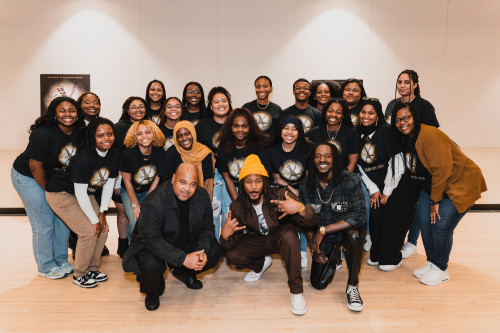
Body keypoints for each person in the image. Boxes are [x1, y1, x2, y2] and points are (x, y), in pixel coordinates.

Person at [391, 103, 486, 285]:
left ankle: (441, 269)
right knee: (425, 223)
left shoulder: (430, 135)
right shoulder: (407, 138)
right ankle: (432, 262)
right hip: (432, 185)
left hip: (457, 184)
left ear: (415, 118)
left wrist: (435, 201)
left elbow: (442, 170)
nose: (402, 123)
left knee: (440, 226)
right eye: (397, 120)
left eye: (406, 118)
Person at [220, 154, 317, 315]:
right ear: (242, 184)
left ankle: (296, 292)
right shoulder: (237, 206)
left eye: (257, 181)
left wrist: (300, 208)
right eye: (248, 181)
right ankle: (261, 263)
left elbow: (312, 222)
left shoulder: (280, 195)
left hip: (281, 236)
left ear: (264, 182)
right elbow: (229, 245)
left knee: (290, 236)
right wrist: (224, 235)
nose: (253, 187)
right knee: (231, 255)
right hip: (258, 240)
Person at [122, 163, 223, 311]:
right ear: (173, 179)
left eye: (192, 184)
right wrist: (183, 258)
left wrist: (202, 252)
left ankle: (183, 272)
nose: (187, 189)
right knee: (150, 267)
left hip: (183, 241)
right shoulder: (154, 201)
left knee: (214, 251)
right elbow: (151, 240)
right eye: (183, 182)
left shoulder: (202, 196)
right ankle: (153, 291)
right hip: (153, 245)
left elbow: (207, 229)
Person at [11, 96, 83, 279]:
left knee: (62, 220)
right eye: (62, 110)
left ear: (77, 113)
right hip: (28, 176)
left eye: (72, 110)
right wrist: (49, 192)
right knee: (44, 222)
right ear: (54, 113)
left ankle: (60, 259)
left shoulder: (80, 130)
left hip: (54, 178)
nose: (68, 114)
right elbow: (35, 167)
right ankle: (45, 265)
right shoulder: (43, 133)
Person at [46, 118, 119, 288]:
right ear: (92, 137)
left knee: (103, 228)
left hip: (86, 193)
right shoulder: (84, 157)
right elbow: (79, 192)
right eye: (100, 135)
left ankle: (92, 268)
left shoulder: (115, 154)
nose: (106, 138)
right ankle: (79, 274)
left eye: (110, 134)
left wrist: (102, 213)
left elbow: (109, 183)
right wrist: (93, 220)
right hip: (61, 194)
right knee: (88, 231)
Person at [299, 142, 366, 312]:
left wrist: (323, 230)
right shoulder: (306, 185)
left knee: (354, 236)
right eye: (318, 156)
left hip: (346, 230)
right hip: (325, 238)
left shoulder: (350, 180)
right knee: (317, 283)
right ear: (313, 160)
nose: (322, 160)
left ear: (335, 159)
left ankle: (352, 286)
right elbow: (304, 219)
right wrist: (314, 248)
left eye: (327, 156)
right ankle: (335, 253)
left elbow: (359, 216)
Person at [356, 99, 419, 271]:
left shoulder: (388, 131)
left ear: (378, 115)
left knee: (392, 221)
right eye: (363, 112)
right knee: (376, 220)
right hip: (376, 187)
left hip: (398, 184)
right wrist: (374, 189)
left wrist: (387, 191)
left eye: (371, 113)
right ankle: (377, 255)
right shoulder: (356, 133)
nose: (366, 116)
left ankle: (392, 258)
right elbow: (359, 166)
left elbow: (396, 162)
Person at [384, 69, 440, 259]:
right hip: (402, 162)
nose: (402, 85)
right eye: (399, 82)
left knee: (419, 207)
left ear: (415, 84)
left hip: (421, 164)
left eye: (406, 82)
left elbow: (434, 134)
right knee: (402, 204)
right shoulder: (392, 105)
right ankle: (397, 240)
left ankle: (412, 242)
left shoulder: (424, 106)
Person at [263, 116, 312, 268]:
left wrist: (301, 192)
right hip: (282, 189)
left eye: (294, 129)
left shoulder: (308, 148)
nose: (289, 132)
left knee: (304, 211)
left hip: (304, 188)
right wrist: (293, 191)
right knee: (286, 205)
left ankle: (302, 250)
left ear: (299, 132)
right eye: (286, 128)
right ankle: (290, 247)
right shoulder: (272, 151)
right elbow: (277, 177)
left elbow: (309, 176)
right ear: (281, 130)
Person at [215, 108, 270, 237]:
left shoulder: (260, 146)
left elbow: (262, 178)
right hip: (232, 186)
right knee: (233, 212)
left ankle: (262, 245)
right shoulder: (223, 146)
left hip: (255, 187)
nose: (240, 130)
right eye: (236, 126)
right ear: (230, 127)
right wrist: (239, 202)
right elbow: (226, 177)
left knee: (257, 214)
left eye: (244, 126)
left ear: (250, 128)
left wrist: (250, 200)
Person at [114, 96, 150, 257]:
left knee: (139, 217)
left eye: (141, 106)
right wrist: (116, 180)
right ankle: (123, 243)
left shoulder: (149, 126)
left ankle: (136, 245)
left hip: (143, 180)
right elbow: (114, 155)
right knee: (124, 212)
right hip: (123, 179)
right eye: (133, 107)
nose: (138, 110)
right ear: (127, 110)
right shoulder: (120, 127)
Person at [196, 86, 232, 239]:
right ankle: (214, 244)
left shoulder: (236, 123)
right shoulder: (202, 125)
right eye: (216, 102)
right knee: (213, 210)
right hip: (212, 174)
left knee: (231, 209)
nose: (221, 104)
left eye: (224, 100)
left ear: (229, 103)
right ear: (211, 106)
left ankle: (230, 243)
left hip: (232, 174)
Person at [120, 120, 165, 241]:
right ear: (135, 137)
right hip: (129, 191)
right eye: (139, 134)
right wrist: (135, 206)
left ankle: (141, 246)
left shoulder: (160, 152)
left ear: (154, 134)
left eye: (148, 132)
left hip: (148, 190)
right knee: (136, 222)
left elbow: (157, 177)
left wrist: (147, 200)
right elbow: (127, 181)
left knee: (147, 220)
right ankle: (135, 252)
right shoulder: (128, 154)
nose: (144, 136)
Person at [160, 121, 214, 198]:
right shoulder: (171, 152)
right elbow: (166, 180)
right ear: (176, 139)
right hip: (175, 195)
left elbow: (207, 179)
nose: (184, 138)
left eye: (187, 134)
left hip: (198, 195)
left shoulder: (204, 152)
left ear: (193, 134)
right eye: (180, 136)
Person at [309, 98, 360, 172]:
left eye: (338, 112)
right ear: (325, 112)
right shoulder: (314, 132)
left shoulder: (352, 133)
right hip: (320, 177)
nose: (333, 115)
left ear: (343, 115)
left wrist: (342, 181)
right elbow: (312, 162)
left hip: (345, 177)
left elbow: (352, 164)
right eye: (330, 111)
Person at [242, 75, 282, 142]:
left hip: (271, 150)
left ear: (271, 88)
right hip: (250, 149)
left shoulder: (277, 109)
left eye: (265, 86)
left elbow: (279, 133)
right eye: (258, 87)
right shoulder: (247, 107)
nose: (261, 89)